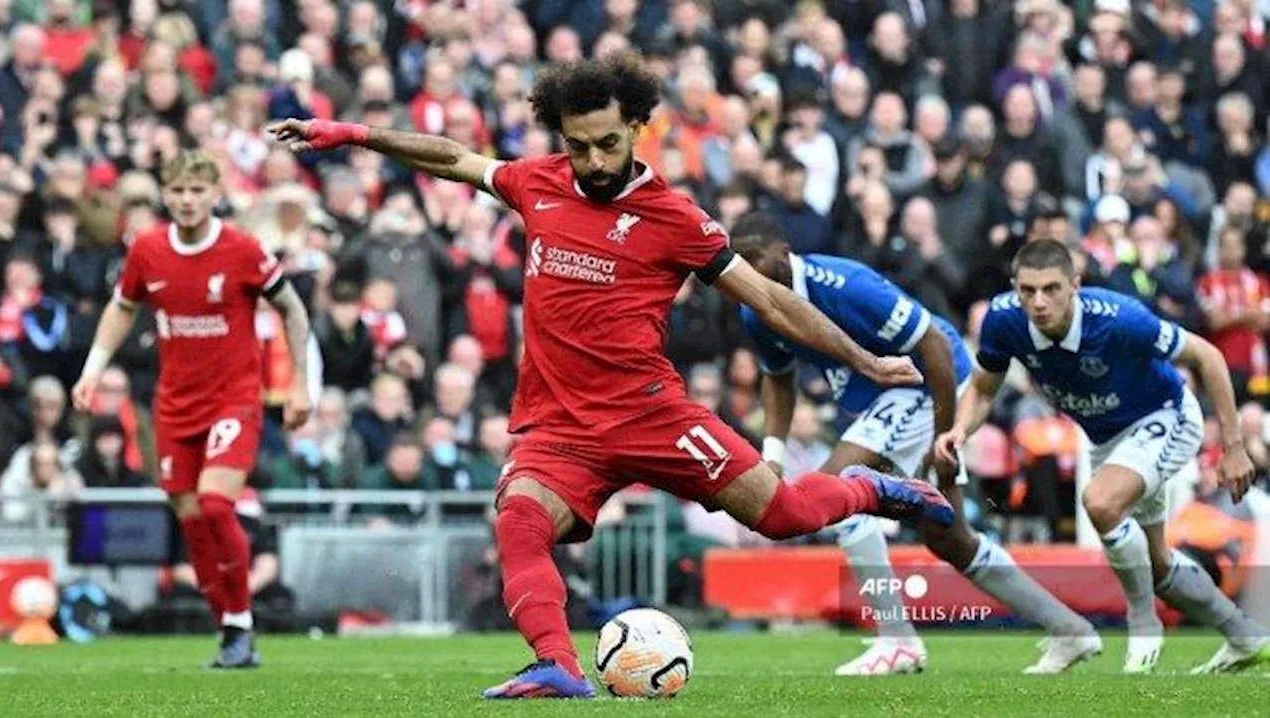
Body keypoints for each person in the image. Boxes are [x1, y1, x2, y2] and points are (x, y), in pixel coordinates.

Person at [270, 52, 952, 700]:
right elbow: (451, 156)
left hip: (652, 414)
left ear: (635, 127)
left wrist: (863, 361)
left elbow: (772, 300)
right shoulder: (536, 182)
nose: (592, 161)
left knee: (785, 514)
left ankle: (874, 489)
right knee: (519, 518)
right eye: (577, 145)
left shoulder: (676, 219)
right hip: (560, 425)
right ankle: (556, 666)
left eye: (605, 143)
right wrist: (352, 134)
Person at [729, 213, 1098, 676]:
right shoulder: (756, 309)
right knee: (951, 539)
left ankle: (898, 641)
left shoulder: (844, 285)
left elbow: (935, 346)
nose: (747, 275)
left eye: (754, 262)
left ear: (782, 253)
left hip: (929, 385)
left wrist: (946, 434)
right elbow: (779, 381)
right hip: (888, 401)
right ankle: (1069, 629)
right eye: (738, 265)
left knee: (833, 487)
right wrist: (774, 456)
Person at [935, 240, 1268, 675]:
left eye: (1052, 289)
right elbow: (982, 388)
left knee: (1100, 502)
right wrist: (961, 429)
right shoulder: (1003, 322)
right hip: (1107, 437)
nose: (1038, 302)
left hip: (1165, 414)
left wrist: (1234, 447)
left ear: (1075, 285)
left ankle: (1143, 622)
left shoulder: (1119, 319)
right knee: (1158, 562)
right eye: (1028, 291)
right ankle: (1245, 638)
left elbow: (1208, 355)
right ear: (1015, 288)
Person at [71, 151, 312, 670]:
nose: (186, 200)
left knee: (217, 505)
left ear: (214, 195)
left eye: (196, 191)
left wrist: (298, 384)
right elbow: (122, 306)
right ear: (165, 194)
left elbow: (292, 307)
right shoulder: (148, 250)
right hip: (174, 405)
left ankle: (242, 621)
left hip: (233, 400)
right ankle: (228, 625)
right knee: (191, 519)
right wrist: (93, 369)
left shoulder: (243, 250)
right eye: (177, 190)